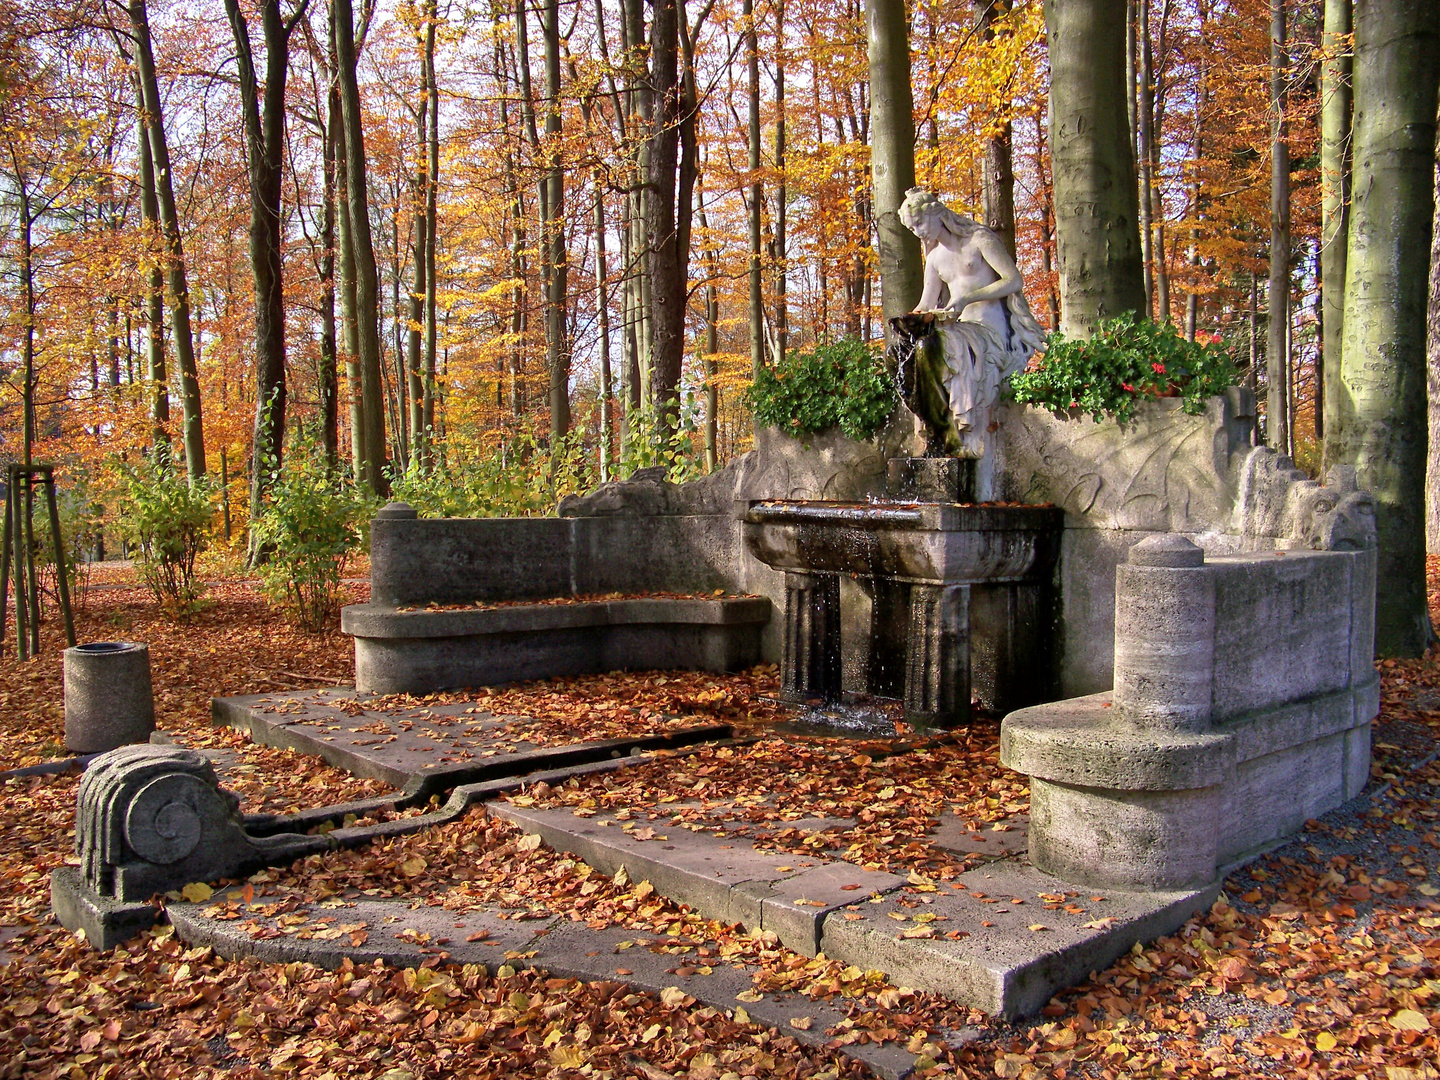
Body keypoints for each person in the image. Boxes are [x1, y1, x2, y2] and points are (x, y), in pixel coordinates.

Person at [896, 188, 1045, 457]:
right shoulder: (934, 258)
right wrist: (909, 320)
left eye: (919, 223)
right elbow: (926, 305)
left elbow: (1014, 280)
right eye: (911, 227)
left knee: (932, 347)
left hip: (990, 332)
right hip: (960, 331)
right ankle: (936, 427)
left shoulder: (979, 240)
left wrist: (967, 298)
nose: (917, 231)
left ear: (936, 212)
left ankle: (951, 431)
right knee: (897, 352)